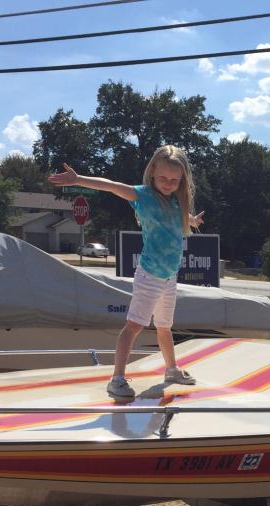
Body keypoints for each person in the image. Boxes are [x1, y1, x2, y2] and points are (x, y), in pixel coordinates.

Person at [47, 145, 205, 399]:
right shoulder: (142, 196)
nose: (168, 183)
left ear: (182, 180)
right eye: (163, 178)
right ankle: (117, 378)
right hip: (150, 275)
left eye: (174, 180)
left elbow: (180, 218)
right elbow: (110, 185)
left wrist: (193, 221)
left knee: (165, 326)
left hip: (168, 276)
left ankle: (171, 370)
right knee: (134, 326)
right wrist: (78, 180)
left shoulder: (177, 202)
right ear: (152, 172)